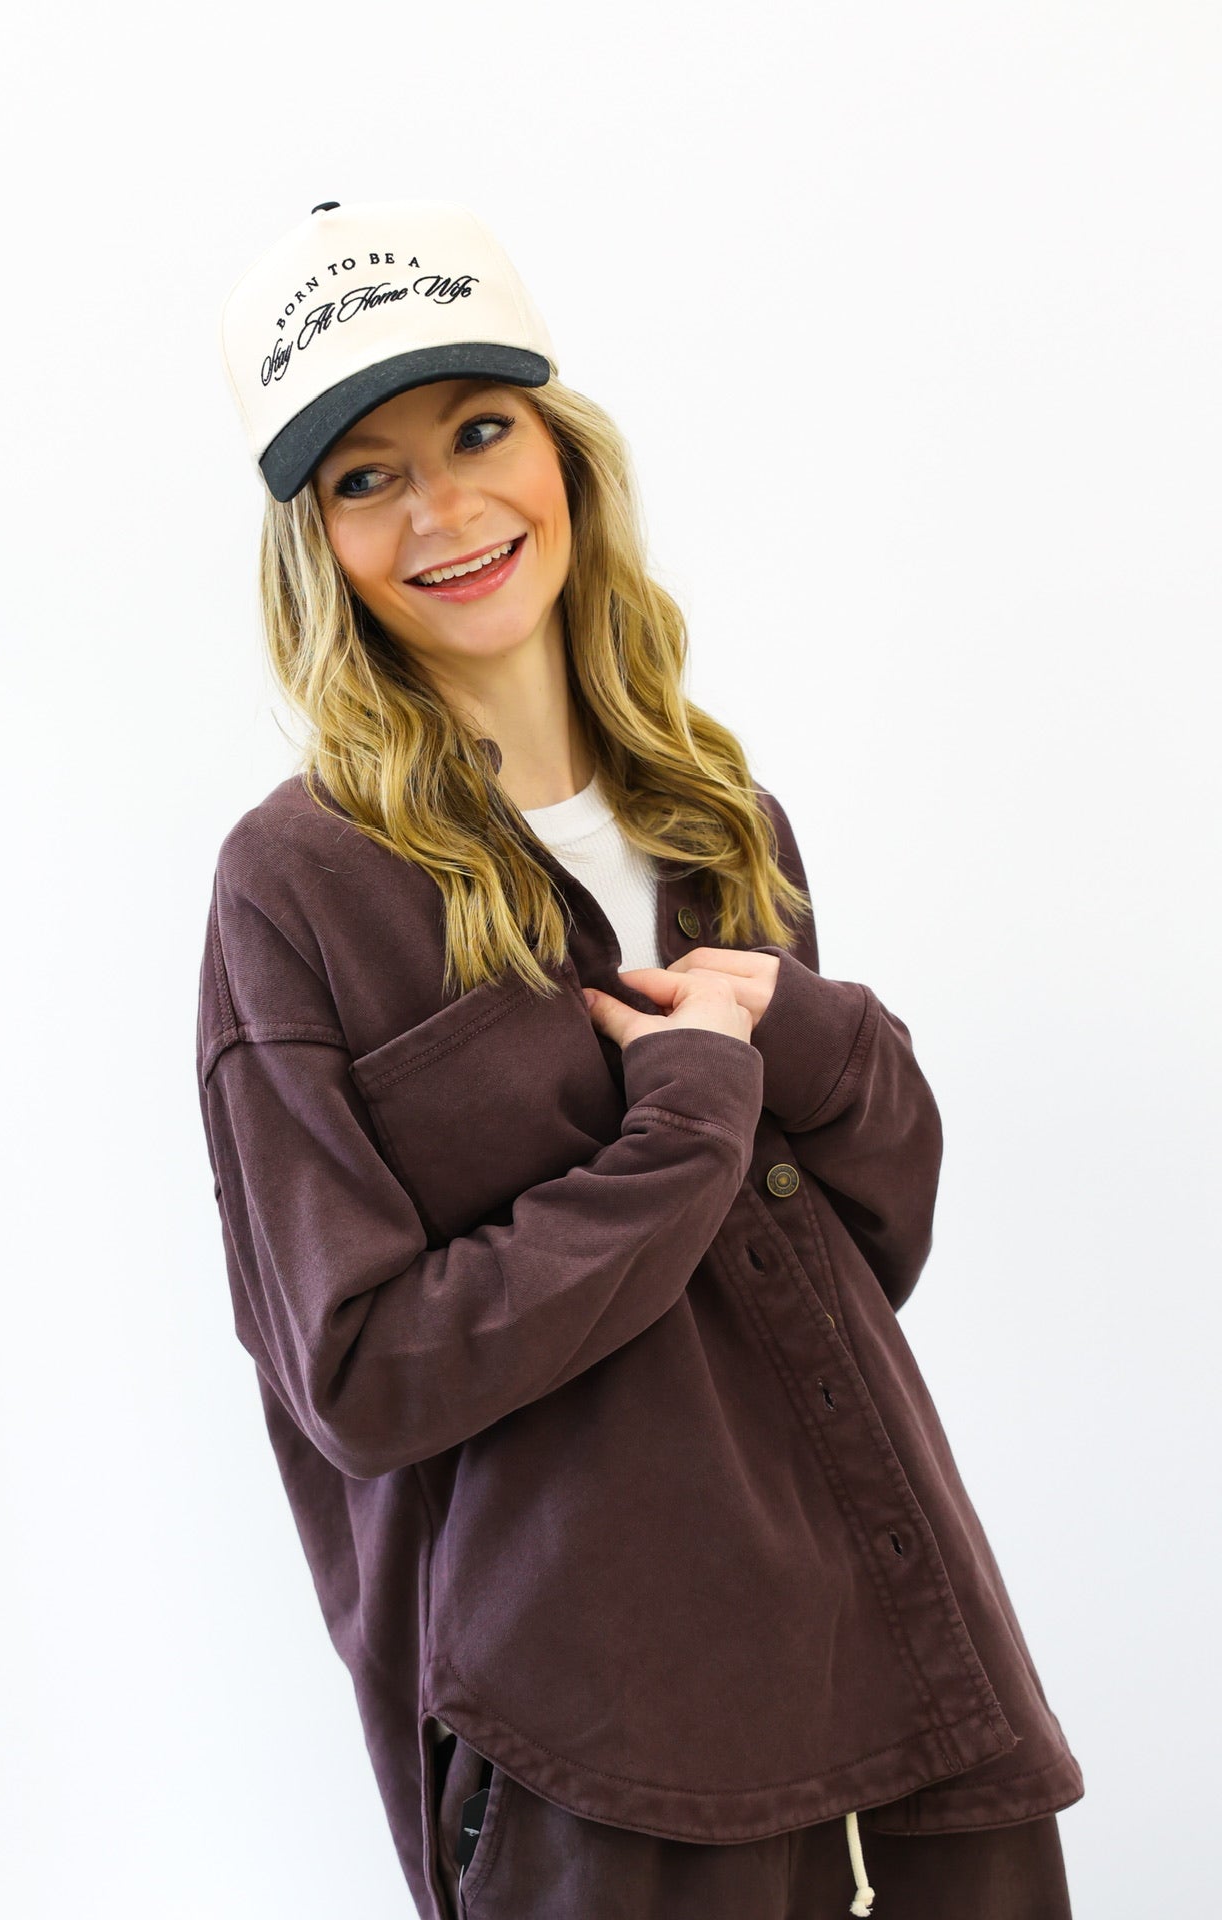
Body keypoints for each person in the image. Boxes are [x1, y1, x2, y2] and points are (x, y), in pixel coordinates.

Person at [197, 198, 1084, 1919]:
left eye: (477, 432)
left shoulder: (717, 814)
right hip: (608, 1742)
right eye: (367, 478)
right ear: (315, 542)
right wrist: (682, 1126)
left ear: (563, 454)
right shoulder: (301, 885)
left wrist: (807, 1030)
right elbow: (360, 1379)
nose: (447, 510)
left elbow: (866, 1240)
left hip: (911, 1671)